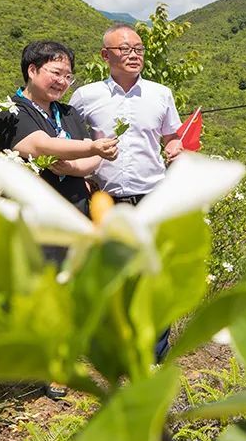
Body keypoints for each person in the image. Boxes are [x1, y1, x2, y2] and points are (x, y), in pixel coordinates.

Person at [0, 40, 118, 430]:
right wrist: (85, 151)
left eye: (68, 75)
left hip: (70, 217)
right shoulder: (8, 111)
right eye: (56, 73)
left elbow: (82, 164)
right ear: (32, 71)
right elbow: (36, 147)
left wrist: (80, 156)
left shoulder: (67, 114)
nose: (63, 81)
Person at [69, 24, 184, 360]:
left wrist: (176, 148)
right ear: (106, 55)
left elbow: (171, 137)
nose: (134, 55)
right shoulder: (85, 96)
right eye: (125, 49)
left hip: (153, 195)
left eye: (139, 48)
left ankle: (154, 355)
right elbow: (74, 142)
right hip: (106, 199)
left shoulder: (160, 93)